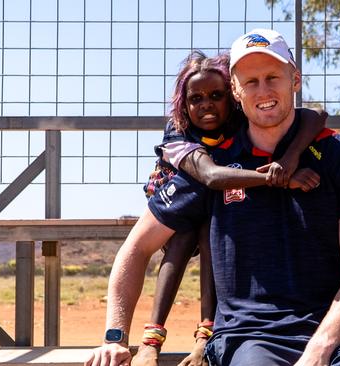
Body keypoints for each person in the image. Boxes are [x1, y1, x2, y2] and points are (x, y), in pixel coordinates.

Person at [147, 29, 340, 365]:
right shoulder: (201, 154)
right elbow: (138, 248)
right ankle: (206, 331)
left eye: (273, 76)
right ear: (236, 90)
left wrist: (319, 350)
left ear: (295, 79)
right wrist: (136, 339)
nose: (263, 90)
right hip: (251, 337)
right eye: (251, 81)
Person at [86, 49, 324, 366]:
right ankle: (151, 341)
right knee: (185, 232)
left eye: (216, 95)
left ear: (233, 96)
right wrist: (280, 176)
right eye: (195, 99)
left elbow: (315, 115)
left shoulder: (242, 121)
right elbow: (210, 176)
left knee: (213, 226)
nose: (206, 104)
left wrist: (289, 158)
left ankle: (205, 336)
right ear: (183, 105)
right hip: (183, 190)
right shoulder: (178, 133)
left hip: (222, 199)